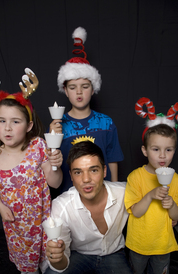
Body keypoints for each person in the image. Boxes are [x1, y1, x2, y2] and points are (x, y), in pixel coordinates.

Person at [0, 63, 62, 274]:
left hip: (44, 221)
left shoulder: (38, 147)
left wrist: (54, 163)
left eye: (15, 122)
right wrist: (0, 206)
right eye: (1, 121)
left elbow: (56, 183)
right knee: (27, 267)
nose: (7, 128)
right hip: (17, 229)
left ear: (27, 126)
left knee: (50, 262)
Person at [42, 141, 143, 274]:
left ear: (104, 172)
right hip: (79, 255)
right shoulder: (61, 207)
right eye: (78, 172)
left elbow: (148, 205)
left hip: (114, 254)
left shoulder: (125, 192)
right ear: (71, 176)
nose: (86, 179)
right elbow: (61, 262)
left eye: (93, 170)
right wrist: (56, 258)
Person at [125, 99, 178, 274]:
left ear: (174, 151)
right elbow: (135, 211)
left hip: (162, 243)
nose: (162, 156)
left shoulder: (177, 180)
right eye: (156, 149)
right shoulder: (136, 177)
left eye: (168, 150)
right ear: (145, 150)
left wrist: (171, 205)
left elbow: (177, 214)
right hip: (138, 242)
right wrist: (151, 195)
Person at [50, 27, 124, 192]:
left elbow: (112, 159)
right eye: (73, 87)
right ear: (66, 91)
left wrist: (115, 191)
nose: (78, 92)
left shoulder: (106, 123)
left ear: (93, 89)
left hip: (101, 193)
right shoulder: (58, 125)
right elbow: (53, 167)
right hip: (70, 196)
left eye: (84, 86)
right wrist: (52, 139)